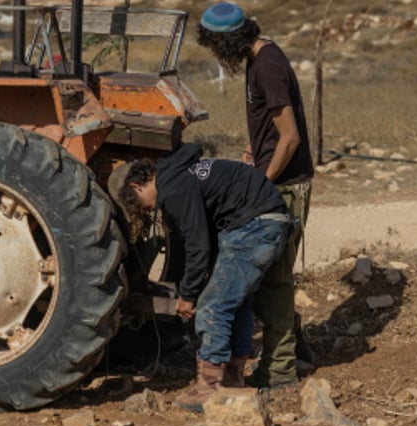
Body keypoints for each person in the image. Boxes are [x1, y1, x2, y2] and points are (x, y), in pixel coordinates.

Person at [115, 143, 290, 412]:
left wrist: (188, 295)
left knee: (213, 305)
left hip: (254, 225)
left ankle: (209, 388)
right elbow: (205, 234)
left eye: (140, 205)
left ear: (137, 187)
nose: (149, 211)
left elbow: (198, 244)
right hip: (269, 220)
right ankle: (233, 378)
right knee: (236, 301)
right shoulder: (182, 174)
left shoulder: (172, 189)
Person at [196, 0, 315, 390]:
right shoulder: (258, 59)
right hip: (271, 177)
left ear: (228, 42)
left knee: (274, 283)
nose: (217, 57)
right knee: (266, 279)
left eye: (217, 49)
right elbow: (267, 127)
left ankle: (280, 370)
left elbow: (290, 136)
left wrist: (261, 182)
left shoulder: (268, 66)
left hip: (284, 185)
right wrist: (253, 150)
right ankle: (295, 352)